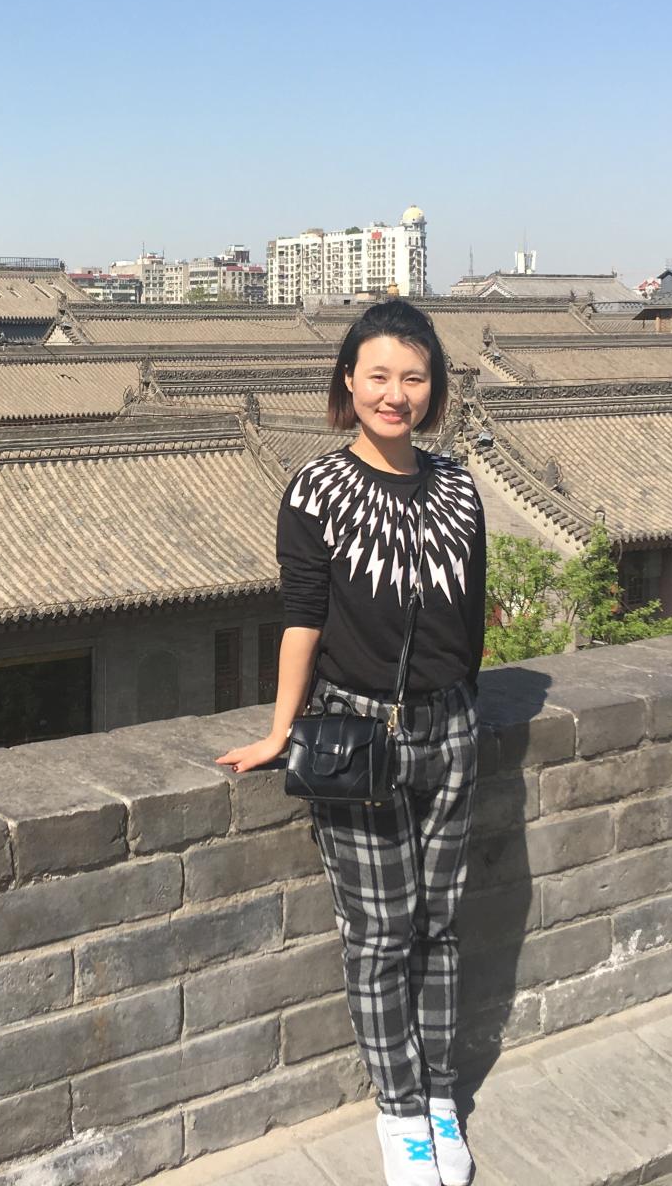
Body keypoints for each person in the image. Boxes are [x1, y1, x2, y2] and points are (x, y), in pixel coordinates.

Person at [219, 298, 488, 1186]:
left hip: (449, 728)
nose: (395, 394)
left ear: (434, 388)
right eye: (378, 375)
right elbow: (302, 616)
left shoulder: (458, 488)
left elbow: (468, 618)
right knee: (379, 932)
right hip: (356, 734)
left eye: (414, 377)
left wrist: (462, 705)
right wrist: (281, 729)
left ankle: (441, 1096)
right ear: (348, 381)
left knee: (440, 927)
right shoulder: (317, 490)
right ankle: (400, 1113)